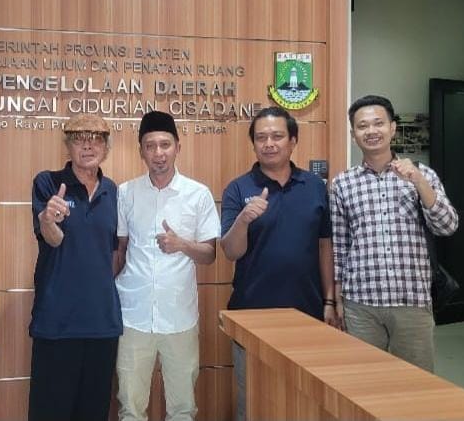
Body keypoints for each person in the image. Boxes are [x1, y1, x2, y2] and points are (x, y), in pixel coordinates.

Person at [220, 106, 337, 421]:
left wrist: (329, 301)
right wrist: (244, 219)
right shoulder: (239, 188)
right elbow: (231, 251)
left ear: (293, 141)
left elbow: (324, 245)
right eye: (261, 138)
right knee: (254, 402)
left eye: (277, 136)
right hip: (252, 315)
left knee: (305, 401)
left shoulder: (314, 186)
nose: (269, 143)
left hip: (307, 313)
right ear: (253, 144)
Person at [330, 95, 459, 372]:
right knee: (364, 382)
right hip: (360, 304)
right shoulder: (342, 183)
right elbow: (340, 247)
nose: (371, 131)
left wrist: (419, 182)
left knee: (415, 384)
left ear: (393, 128)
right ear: (353, 135)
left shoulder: (422, 175)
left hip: (412, 300)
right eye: (362, 126)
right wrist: (338, 300)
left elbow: (448, 225)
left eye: (378, 123)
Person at [114, 111, 220, 421]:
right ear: (141, 151)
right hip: (133, 316)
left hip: (179, 318)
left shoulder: (198, 194)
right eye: (150, 146)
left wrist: (182, 245)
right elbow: (120, 249)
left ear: (177, 147)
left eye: (165, 144)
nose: (158, 153)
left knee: (183, 408)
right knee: (130, 408)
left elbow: (209, 254)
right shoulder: (126, 193)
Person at [28, 114, 122, 421]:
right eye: (79, 139)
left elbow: (115, 252)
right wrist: (48, 219)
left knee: (94, 412)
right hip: (57, 322)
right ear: (67, 145)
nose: (88, 146)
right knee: (50, 411)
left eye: (96, 139)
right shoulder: (48, 182)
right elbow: (52, 238)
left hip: (102, 323)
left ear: (106, 147)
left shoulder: (113, 191)